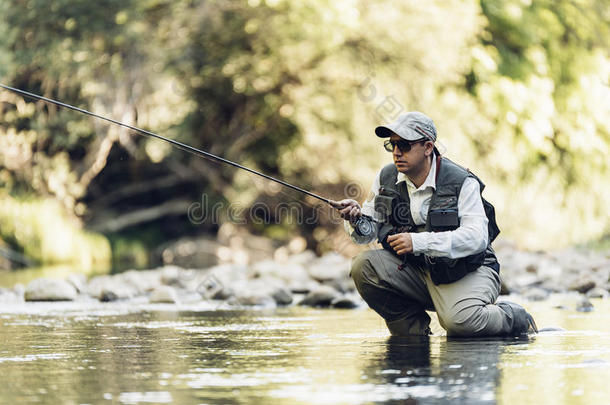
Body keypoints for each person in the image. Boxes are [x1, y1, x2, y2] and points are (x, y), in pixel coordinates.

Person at [331, 111, 537, 337]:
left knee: (460, 324)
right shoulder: (386, 178)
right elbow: (367, 233)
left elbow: (477, 238)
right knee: (364, 266)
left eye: (405, 145)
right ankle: (413, 332)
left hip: (468, 269)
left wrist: (417, 242)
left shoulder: (461, 182)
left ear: (428, 147)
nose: (397, 152)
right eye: (392, 145)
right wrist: (356, 219)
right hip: (418, 270)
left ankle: (513, 317)